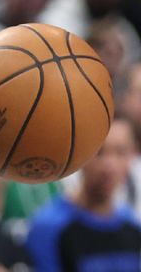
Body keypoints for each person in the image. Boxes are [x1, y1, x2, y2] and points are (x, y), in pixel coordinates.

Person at [25, 116, 141, 271]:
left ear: (132, 155)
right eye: (99, 152)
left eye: (120, 152)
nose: (109, 165)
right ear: (79, 155)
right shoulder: (49, 225)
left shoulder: (133, 226)